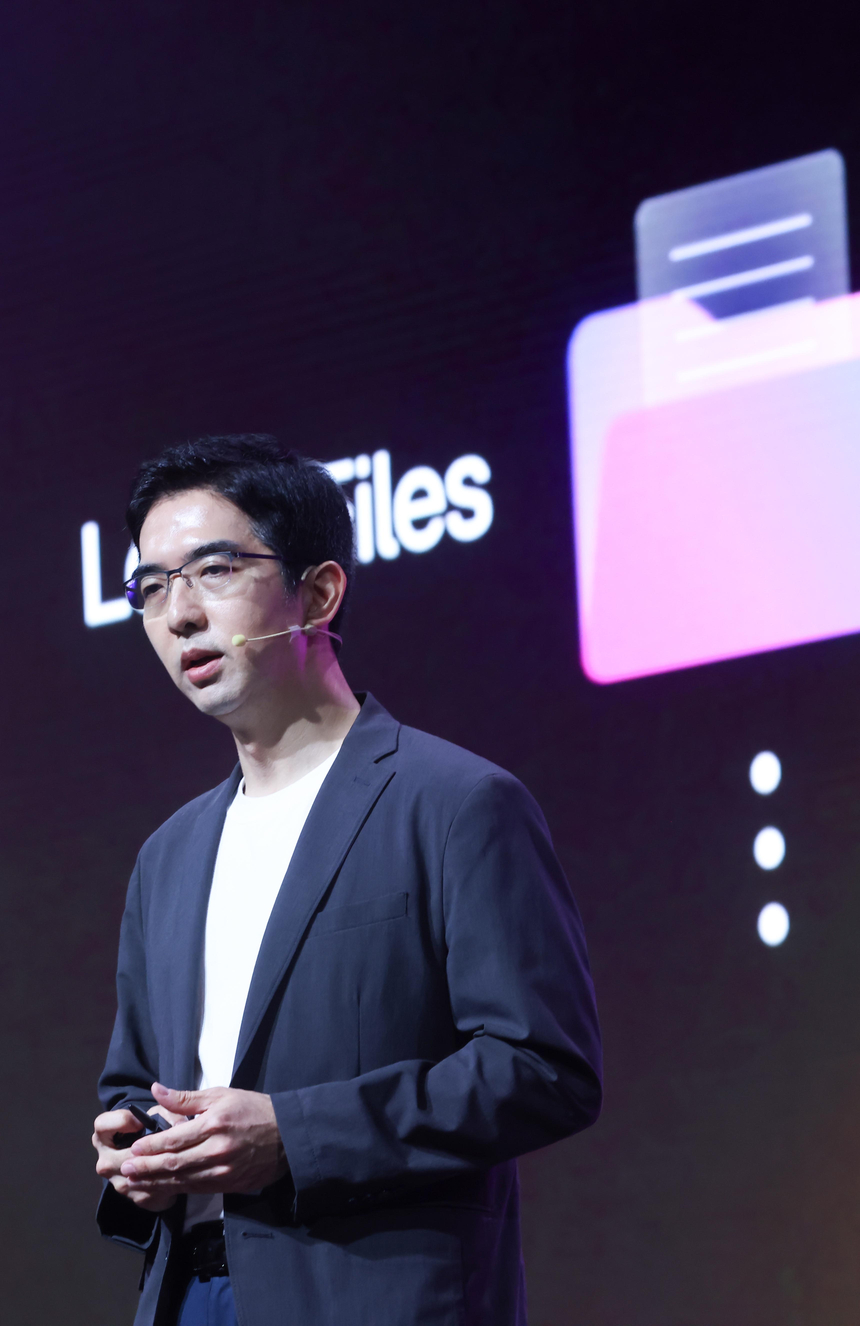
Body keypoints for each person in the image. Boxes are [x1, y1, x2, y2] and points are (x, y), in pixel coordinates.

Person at [91, 435, 603, 1326]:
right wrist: (136, 1143)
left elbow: (543, 1068)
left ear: (320, 592)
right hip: (192, 1297)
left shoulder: (454, 802)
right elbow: (135, 1082)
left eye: (213, 571)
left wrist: (294, 1136)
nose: (179, 615)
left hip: (370, 1297)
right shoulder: (168, 856)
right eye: (153, 586)